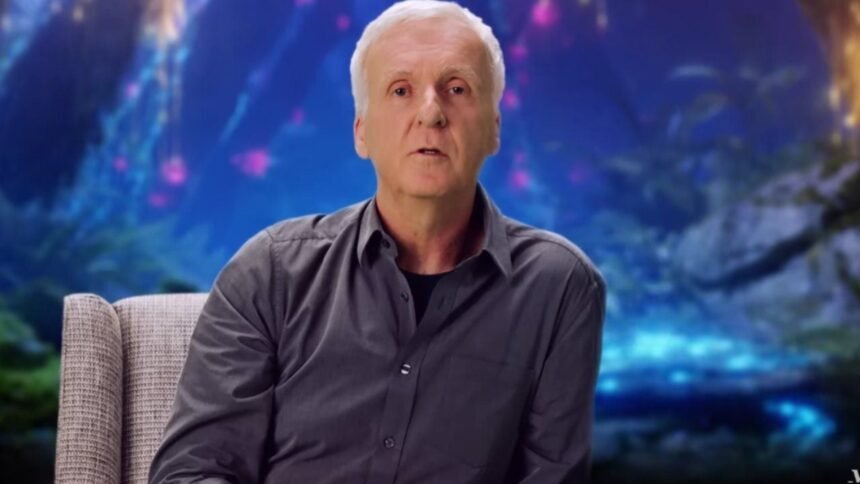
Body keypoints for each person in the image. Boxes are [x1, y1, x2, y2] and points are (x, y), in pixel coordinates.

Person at [148, 0, 606, 482]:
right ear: (361, 133)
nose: (431, 113)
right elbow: (194, 470)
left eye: (456, 88)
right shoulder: (271, 271)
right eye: (401, 90)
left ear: (493, 129)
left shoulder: (559, 287)